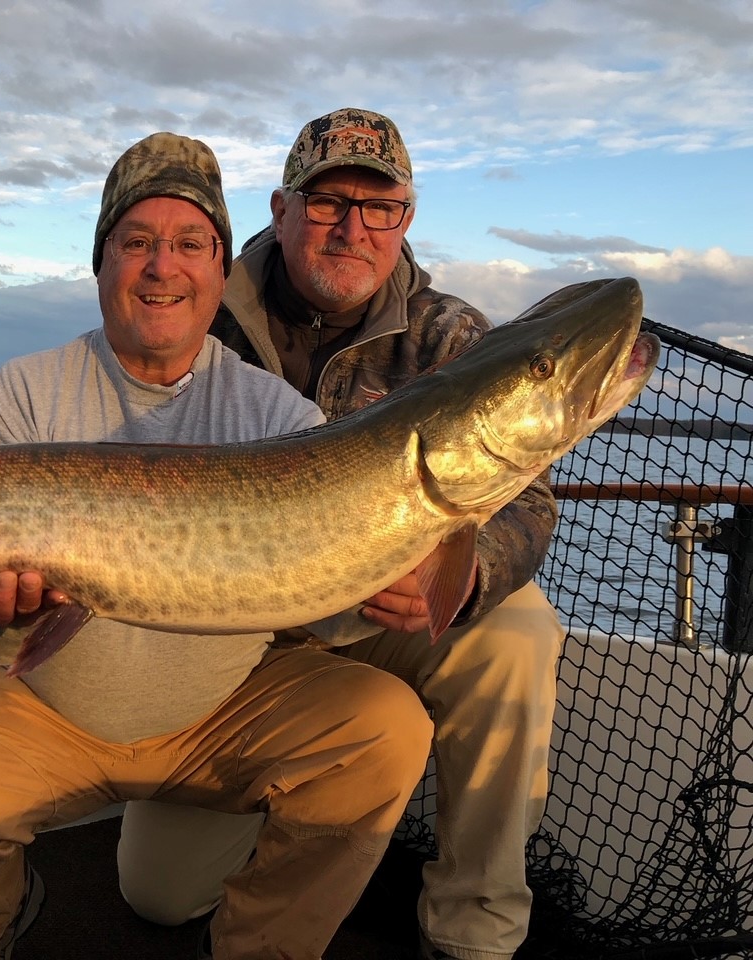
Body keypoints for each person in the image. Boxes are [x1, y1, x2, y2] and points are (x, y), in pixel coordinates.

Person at [0, 131, 435, 960]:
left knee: (384, 729)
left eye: (191, 244)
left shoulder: (279, 419)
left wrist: (388, 584)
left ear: (219, 269)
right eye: (137, 242)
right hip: (43, 707)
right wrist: (4, 617)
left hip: (219, 720)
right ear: (102, 263)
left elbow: (329, 610)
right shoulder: (19, 397)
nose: (164, 266)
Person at [117, 109, 564, 960]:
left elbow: (527, 498)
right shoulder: (199, 314)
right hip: (241, 642)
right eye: (327, 204)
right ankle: (291, 832)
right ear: (282, 212)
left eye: (379, 206)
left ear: (405, 219)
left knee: (515, 632)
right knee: (162, 895)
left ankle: (475, 935)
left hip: (386, 620)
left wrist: (466, 576)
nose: (352, 228)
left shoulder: (451, 335)